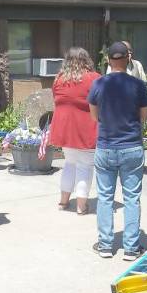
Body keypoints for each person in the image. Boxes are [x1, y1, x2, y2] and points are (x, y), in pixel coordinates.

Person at [89, 41, 147, 261]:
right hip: (131, 145)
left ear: (108, 59)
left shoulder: (98, 84)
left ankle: (106, 245)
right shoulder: (138, 85)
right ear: (128, 59)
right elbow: (144, 115)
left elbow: (94, 116)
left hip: (106, 145)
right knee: (132, 198)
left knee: (105, 197)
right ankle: (131, 248)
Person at [50, 47, 101, 215]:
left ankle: (63, 202)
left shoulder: (59, 78)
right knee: (85, 167)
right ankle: (81, 206)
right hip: (87, 128)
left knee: (70, 164)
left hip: (64, 129)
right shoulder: (94, 78)